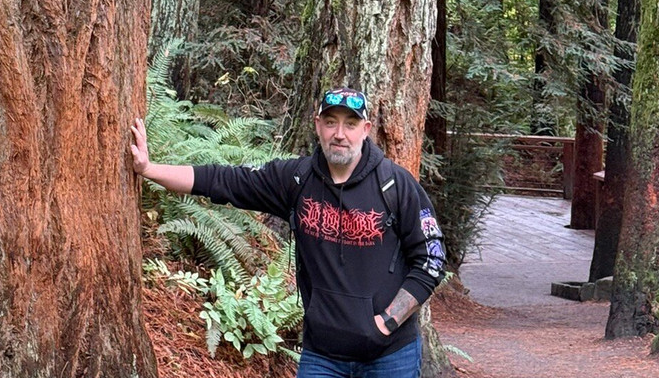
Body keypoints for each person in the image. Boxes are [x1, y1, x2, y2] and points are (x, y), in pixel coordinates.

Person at [130, 87, 446, 378]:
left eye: (350, 124)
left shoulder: (396, 185)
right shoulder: (296, 180)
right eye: (331, 122)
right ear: (317, 124)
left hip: (390, 356)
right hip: (322, 355)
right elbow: (224, 181)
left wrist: (386, 323)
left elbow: (431, 260)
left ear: (365, 130)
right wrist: (148, 168)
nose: (339, 134)